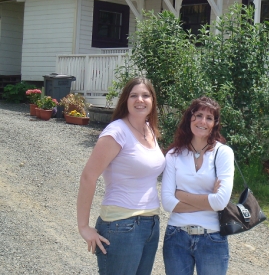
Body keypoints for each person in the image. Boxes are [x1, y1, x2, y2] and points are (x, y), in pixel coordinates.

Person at [77, 77, 165, 275]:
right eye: (134, 95)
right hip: (121, 225)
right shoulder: (116, 132)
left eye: (145, 95)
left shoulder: (149, 129)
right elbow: (88, 177)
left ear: (153, 101)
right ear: (125, 100)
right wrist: (83, 226)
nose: (140, 100)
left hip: (150, 224)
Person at [161, 96, 234, 275]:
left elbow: (220, 202)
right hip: (176, 236)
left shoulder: (223, 153)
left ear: (215, 124)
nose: (203, 121)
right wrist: (208, 201)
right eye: (199, 115)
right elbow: (168, 203)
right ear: (189, 117)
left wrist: (181, 194)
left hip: (213, 237)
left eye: (209, 118)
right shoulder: (173, 155)